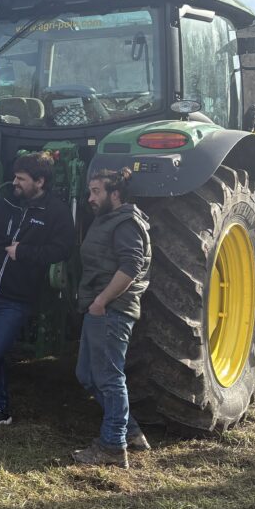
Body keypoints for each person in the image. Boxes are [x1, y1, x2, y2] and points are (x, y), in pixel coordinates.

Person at [0, 152, 75, 429]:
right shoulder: (4, 202)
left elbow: (62, 250)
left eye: (21, 179)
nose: (14, 183)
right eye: (14, 177)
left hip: (15, 297)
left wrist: (25, 252)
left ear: (40, 181)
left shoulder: (56, 212)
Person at [72, 168, 151, 468]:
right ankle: (130, 431)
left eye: (96, 191)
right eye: (90, 191)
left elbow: (131, 266)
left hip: (111, 310)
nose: (90, 198)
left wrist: (102, 301)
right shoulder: (107, 219)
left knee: (108, 378)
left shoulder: (126, 223)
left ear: (115, 194)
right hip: (98, 308)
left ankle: (113, 446)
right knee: (87, 375)